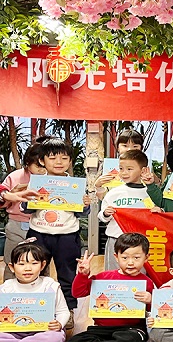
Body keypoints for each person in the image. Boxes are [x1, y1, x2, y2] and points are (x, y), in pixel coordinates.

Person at [22, 137, 90, 328]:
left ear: (70, 161)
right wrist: (30, 200)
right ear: (42, 161)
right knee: (34, 272)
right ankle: (37, 312)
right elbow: (25, 209)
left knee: (67, 275)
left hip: (67, 236)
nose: (59, 162)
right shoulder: (36, 183)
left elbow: (82, 213)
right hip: (38, 234)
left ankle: (68, 312)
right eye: (52, 158)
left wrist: (85, 205)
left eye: (64, 158)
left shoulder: (75, 185)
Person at [70, 233, 155, 342]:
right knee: (76, 340)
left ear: (146, 258)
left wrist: (150, 300)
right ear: (116, 257)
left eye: (136, 258)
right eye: (125, 258)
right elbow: (78, 293)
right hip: (101, 328)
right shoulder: (103, 277)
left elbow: (152, 311)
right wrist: (83, 275)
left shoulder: (147, 282)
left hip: (132, 329)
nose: (130, 262)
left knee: (130, 339)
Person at [0, 241, 69, 341]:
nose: (28, 268)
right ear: (12, 267)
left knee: (55, 336)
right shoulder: (5, 289)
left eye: (34, 263)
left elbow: (63, 311)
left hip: (43, 331)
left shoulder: (50, 286)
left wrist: (59, 323)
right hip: (12, 332)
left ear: (42, 265)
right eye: (21, 264)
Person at [98, 149, 152, 270]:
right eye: (121, 168)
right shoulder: (114, 192)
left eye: (129, 169)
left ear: (143, 170)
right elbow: (102, 216)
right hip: (115, 239)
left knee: (139, 274)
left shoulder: (149, 193)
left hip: (140, 242)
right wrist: (106, 214)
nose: (124, 173)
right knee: (114, 273)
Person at [1, 141, 47, 280]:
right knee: (13, 260)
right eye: (38, 166)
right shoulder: (15, 176)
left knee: (41, 262)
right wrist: (11, 195)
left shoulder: (52, 178)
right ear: (28, 162)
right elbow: (3, 201)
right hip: (17, 224)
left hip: (43, 226)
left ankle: (43, 291)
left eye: (44, 165)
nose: (42, 169)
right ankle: (8, 291)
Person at [94, 129, 145, 200]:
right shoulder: (109, 167)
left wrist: (154, 181)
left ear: (141, 148)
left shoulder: (145, 167)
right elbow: (104, 198)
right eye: (125, 146)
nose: (129, 149)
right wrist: (98, 185)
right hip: (116, 205)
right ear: (118, 148)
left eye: (135, 146)